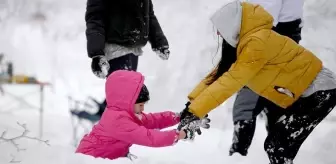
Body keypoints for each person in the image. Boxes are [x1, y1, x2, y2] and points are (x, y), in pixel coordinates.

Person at [178, 1, 336, 164]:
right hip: (312, 92)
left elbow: (231, 81)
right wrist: (191, 107)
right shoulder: (249, 43)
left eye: (220, 28)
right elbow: (219, 75)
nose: (218, 33)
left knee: (278, 146)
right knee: (277, 145)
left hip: (320, 90)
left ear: (232, 24)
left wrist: (195, 112)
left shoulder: (257, 43)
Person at [76, 70, 210, 160]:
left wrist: (179, 116)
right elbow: (150, 138)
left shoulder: (124, 114)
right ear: (127, 101)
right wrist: (181, 134)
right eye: (140, 104)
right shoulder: (119, 121)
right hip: (90, 158)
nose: (143, 108)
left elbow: (153, 120)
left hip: (105, 157)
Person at [229, 0, 305, 156]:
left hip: (270, 40)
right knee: (276, 102)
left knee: (247, 102)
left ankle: (239, 153)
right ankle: (279, 153)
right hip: (286, 38)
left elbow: (264, 14)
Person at [86, 0, 171, 79]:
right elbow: (95, 17)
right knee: (122, 91)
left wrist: (159, 41)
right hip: (115, 51)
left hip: (134, 49)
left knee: (129, 91)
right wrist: (96, 53)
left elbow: (148, 14)